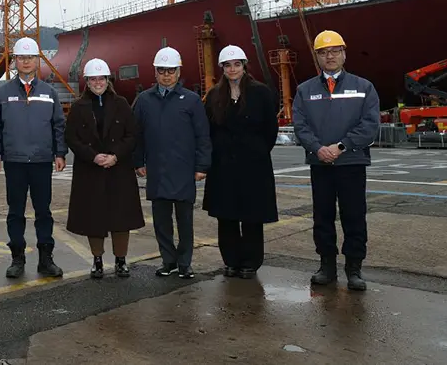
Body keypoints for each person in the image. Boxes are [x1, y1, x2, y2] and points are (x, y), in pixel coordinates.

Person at [292, 30, 380, 291]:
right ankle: (326, 266)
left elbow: (370, 125)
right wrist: (318, 149)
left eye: (334, 51)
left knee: (354, 216)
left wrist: (341, 147)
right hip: (321, 165)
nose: (329, 56)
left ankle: (354, 269)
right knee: (323, 216)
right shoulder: (304, 90)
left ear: (344, 53)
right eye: (323, 52)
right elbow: (301, 125)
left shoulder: (364, 87)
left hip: (351, 163)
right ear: (317, 57)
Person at [0, 37, 66, 279]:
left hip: (42, 161)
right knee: (15, 212)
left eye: (30, 57)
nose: (26, 62)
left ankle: (45, 259)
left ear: (37, 61)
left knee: (44, 211)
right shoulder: (2, 93)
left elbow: (58, 125)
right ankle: (17, 259)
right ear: (15, 61)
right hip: (15, 161)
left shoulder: (49, 92)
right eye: (21, 58)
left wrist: (60, 153)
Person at [132, 47, 211, 280]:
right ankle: (168, 261)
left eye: (171, 71)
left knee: (185, 221)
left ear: (178, 72)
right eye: (162, 71)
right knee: (161, 222)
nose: (167, 75)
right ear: (155, 72)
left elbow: (202, 136)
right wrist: (138, 162)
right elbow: (137, 134)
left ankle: (185, 263)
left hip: (184, 170)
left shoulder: (192, 100)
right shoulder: (144, 100)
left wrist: (202, 166)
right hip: (157, 169)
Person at [201, 45, 279, 279]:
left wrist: (257, 151)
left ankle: (251, 262)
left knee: (252, 216)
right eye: (228, 65)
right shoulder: (214, 95)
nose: (232, 69)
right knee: (227, 217)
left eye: (237, 64)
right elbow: (208, 130)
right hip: (223, 166)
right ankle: (231, 260)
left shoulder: (261, 93)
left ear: (244, 65)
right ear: (222, 68)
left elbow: (270, 131)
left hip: (253, 165)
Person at [64, 58, 144, 279]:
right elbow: (71, 137)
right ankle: (97, 260)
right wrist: (93, 156)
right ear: (87, 82)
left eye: (101, 78)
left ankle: (121, 260)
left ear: (108, 80)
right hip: (90, 170)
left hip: (118, 169)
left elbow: (132, 135)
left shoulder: (121, 104)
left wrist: (115, 156)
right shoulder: (78, 107)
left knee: (121, 217)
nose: (98, 82)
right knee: (93, 217)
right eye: (93, 79)